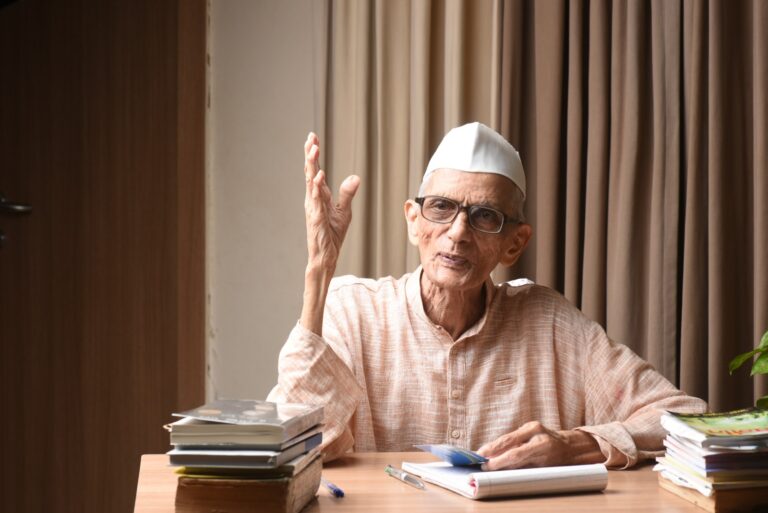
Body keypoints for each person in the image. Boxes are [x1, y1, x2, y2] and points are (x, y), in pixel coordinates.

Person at [267, 122, 706, 470]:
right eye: (441, 207)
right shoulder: (352, 311)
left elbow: (684, 417)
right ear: (413, 220)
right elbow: (297, 445)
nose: (458, 233)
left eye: (485, 216)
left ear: (515, 243)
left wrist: (576, 445)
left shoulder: (551, 323)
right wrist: (319, 270)